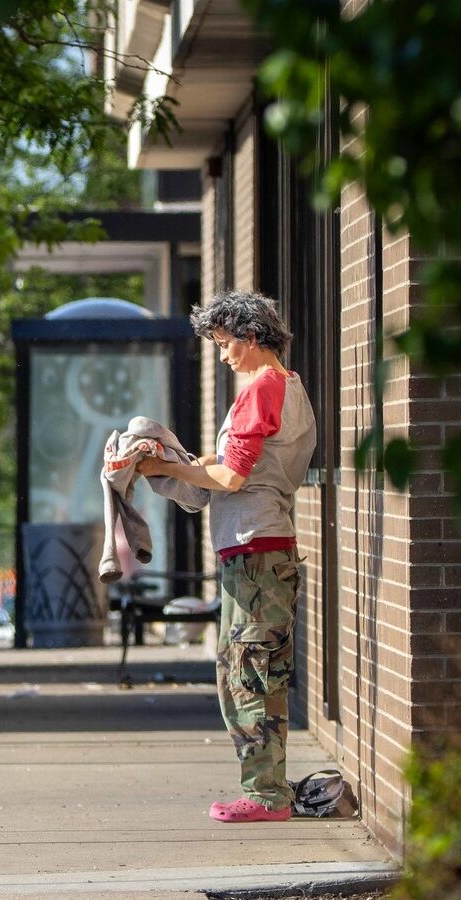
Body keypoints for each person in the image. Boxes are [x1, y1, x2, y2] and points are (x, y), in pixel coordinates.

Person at [136, 290, 316, 823]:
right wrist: (174, 464)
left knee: (246, 674)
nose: (222, 355)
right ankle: (269, 789)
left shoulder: (262, 389)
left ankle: (265, 796)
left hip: (256, 552)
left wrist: (168, 470)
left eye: (224, 343)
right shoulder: (288, 387)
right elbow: (229, 464)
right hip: (264, 548)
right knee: (259, 671)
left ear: (251, 336)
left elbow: (231, 477)